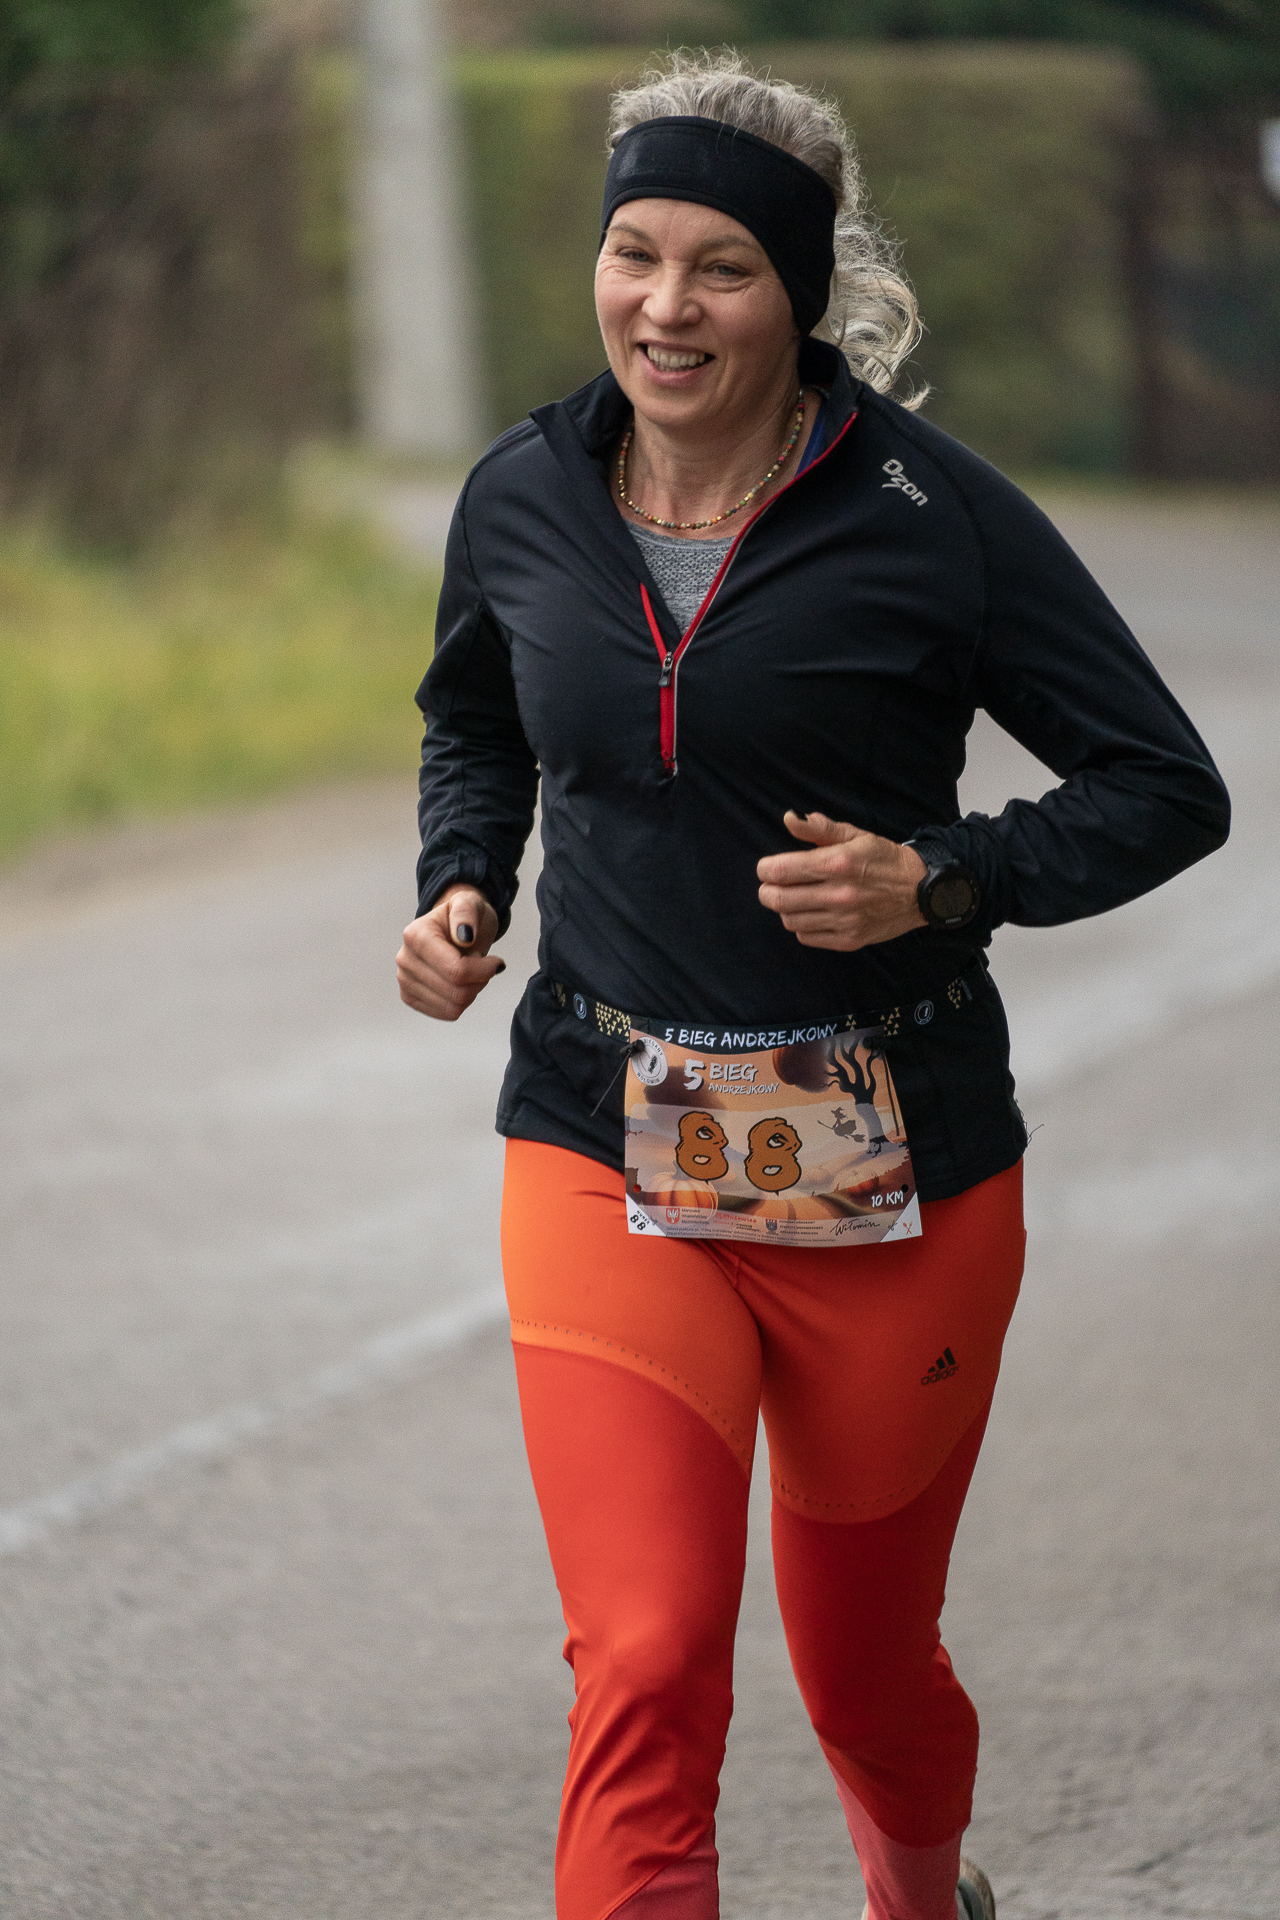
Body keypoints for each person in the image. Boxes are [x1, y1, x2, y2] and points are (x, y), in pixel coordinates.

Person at [395, 49, 1229, 1920]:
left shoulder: (934, 517)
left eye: (723, 268)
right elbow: (477, 717)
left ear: (802, 292)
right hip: (603, 1135)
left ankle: (924, 1895)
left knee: (866, 1671)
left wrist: (941, 875)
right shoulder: (523, 493)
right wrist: (461, 881)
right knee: (646, 1657)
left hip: (894, 1157)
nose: (665, 306)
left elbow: (1167, 788)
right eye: (634, 253)